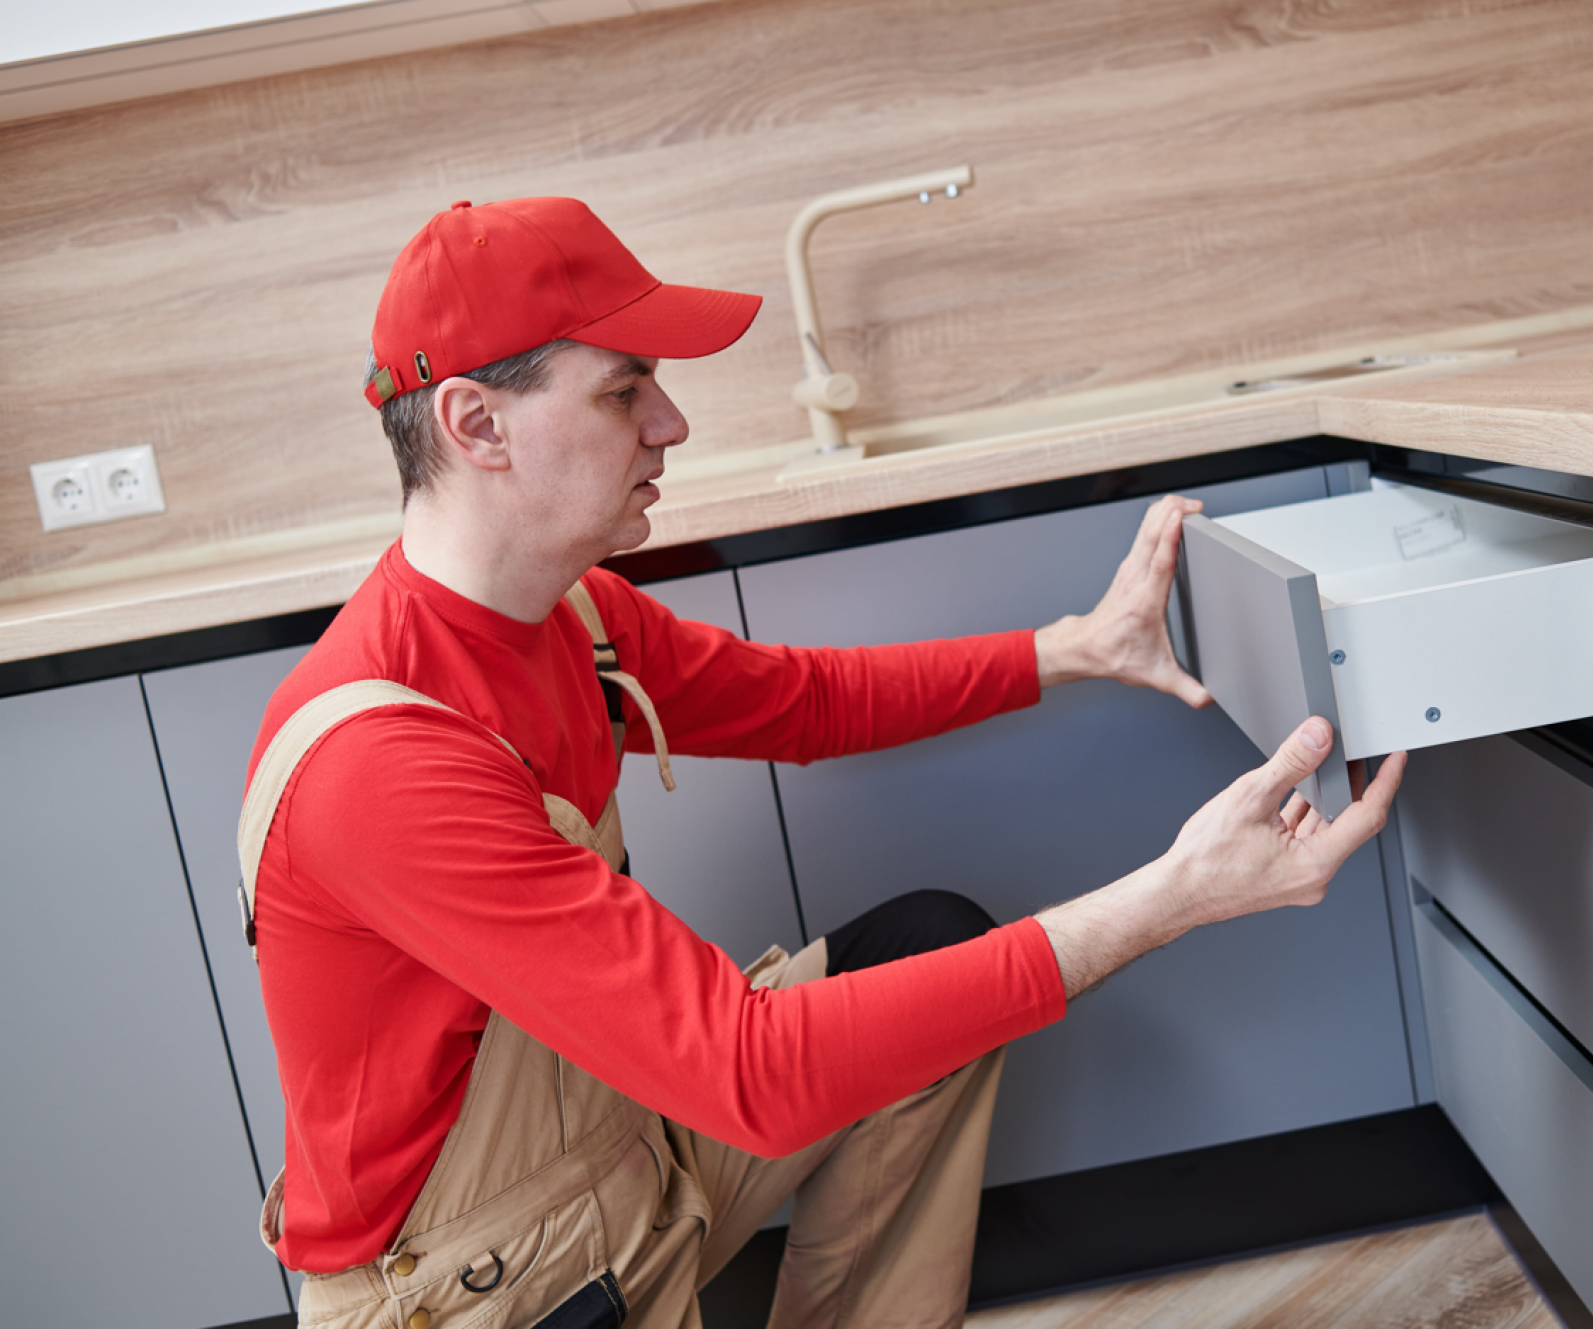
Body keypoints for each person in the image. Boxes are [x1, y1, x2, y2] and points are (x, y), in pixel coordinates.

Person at [238, 195, 1406, 1329]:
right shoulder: (379, 761)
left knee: (927, 951)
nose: (670, 425)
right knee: (795, 1047)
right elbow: (751, 1075)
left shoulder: (574, 618)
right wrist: (1176, 896)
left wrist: (1080, 648)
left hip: (632, 1148)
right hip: (473, 1287)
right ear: (475, 426)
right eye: (622, 390)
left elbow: (802, 703)